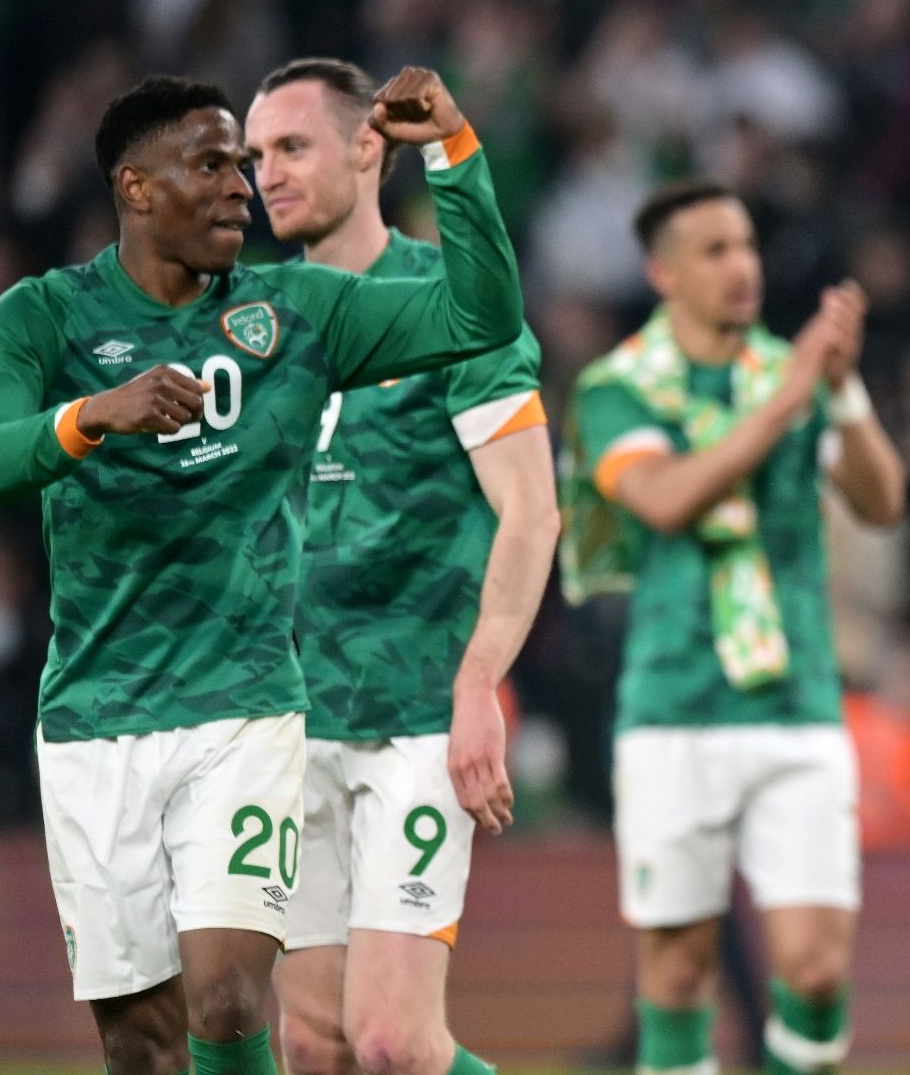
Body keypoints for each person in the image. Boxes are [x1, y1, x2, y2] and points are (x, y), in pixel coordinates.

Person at [0, 69, 522, 1075]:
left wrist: (456, 153)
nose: (240, 186)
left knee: (225, 996)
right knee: (142, 1045)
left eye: (246, 165)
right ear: (133, 187)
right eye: (212, 164)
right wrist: (89, 419)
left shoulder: (294, 313)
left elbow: (481, 319)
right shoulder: (43, 319)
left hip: (244, 705)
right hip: (93, 717)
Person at [243, 57, 558, 1075]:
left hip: (417, 709)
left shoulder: (448, 306)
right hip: (293, 720)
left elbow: (531, 512)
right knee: (316, 1041)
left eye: (292, 147)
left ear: (369, 147)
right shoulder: (251, 330)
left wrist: (479, 685)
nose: (268, 175)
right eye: (254, 157)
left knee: (391, 1041)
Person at [560, 179, 906, 1075]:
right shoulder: (616, 388)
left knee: (818, 970)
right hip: (673, 706)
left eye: (746, 244)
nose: (741, 265)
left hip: (796, 701)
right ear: (662, 271)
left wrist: (844, 388)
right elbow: (666, 500)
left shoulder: (784, 371)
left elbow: (882, 500)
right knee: (676, 974)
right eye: (713, 250)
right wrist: (793, 393)